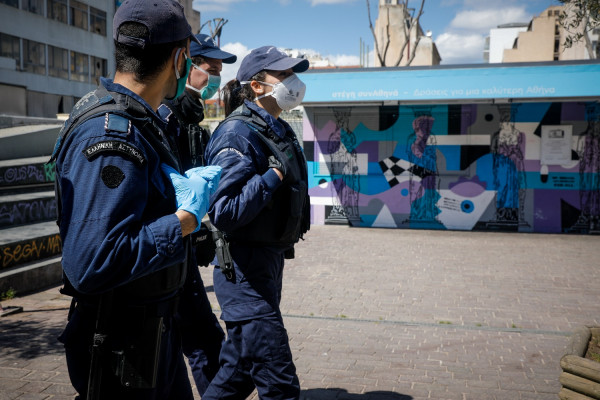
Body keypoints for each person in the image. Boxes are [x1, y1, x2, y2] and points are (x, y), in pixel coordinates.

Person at [50, 0, 220, 398]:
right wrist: (184, 220)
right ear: (180, 59)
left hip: (148, 335)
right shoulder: (112, 135)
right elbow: (92, 262)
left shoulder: (139, 119)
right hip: (121, 349)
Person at [201, 46, 311, 400]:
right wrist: (271, 177)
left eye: (293, 73)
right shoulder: (237, 133)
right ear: (257, 85)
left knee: (238, 372)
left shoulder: (275, 128)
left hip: (266, 264)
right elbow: (224, 211)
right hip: (243, 271)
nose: (293, 81)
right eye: (283, 75)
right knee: (279, 382)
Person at [157, 33, 237, 396]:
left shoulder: (191, 115)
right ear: (187, 65)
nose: (216, 78)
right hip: (168, 245)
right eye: (211, 69)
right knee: (203, 340)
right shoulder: (165, 114)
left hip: (185, 242)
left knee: (194, 339)